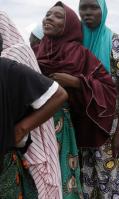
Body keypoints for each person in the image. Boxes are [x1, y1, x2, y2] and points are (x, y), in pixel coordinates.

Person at [35, 2, 117, 198]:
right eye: (47, 14)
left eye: (57, 16)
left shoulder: (80, 54)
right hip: (35, 126)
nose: (49, 18)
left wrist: (76, 82)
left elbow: (108, 88)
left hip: (64, 129)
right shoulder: (34, 51)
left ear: (69, 24)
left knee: (64, 176)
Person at [0, 11, 63, 199]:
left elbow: (58, 95)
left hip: (20, 135)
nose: (50, 19)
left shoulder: (11, 60)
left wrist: (22, 128)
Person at [79, 0, 119, 197]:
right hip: (82, 125)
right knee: (84, 180)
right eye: (83, 7)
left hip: (109, 125)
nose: (87, 12)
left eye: (93, 7)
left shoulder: (118, 42)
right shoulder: (76, 42)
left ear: (103, 10)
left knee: (108, 180)